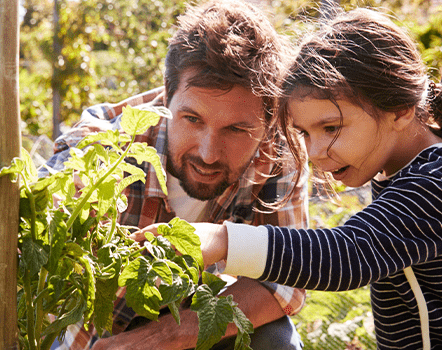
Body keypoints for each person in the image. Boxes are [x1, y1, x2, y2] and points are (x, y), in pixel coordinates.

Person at [173, 7, 442, 350]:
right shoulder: (415, 171)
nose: (315, 151)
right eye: (303, 132)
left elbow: (348, 253)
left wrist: (224, 241)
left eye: (331, 127)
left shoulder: (440, 181)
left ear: (400, 109)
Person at [37, 1, 309, 349]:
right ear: (166, 96)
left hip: (190, 326)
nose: (209, 153)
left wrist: (168, 335)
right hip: (98, 333)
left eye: (236, 129)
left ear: (268, 121)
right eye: (193, 119)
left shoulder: (278, 154)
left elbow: (284, 281)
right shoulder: (111, 147)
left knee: (274, 340)